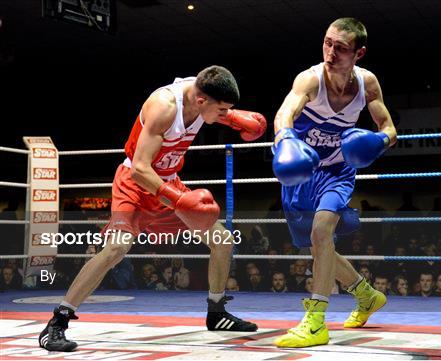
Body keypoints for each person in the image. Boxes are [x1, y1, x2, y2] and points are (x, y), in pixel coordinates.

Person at [39, 66, 266, 351]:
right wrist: (180, 201)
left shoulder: (203, 96)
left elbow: (218, 106)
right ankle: (57, 323)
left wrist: (241, 121)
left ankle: (217, 313)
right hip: (136, 185)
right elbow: (140, 170)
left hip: (168, 183)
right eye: (222, 109)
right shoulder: (164, 107)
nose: (225, 115)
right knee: (115, 249)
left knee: (222, 241)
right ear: (201, 101)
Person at [271, 17, 397, 347]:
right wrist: (285, 139)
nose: (330, 53)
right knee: (315, 244)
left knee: (321, 231)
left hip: (338, 171)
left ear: (359, 53)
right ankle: (365, 294)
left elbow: (389, 128)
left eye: (340, 48)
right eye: (327, 43)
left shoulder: (367, 84)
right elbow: (284, 114)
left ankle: (315, 321)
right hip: (303, 171)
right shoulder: (310, 80)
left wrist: (378, 142)